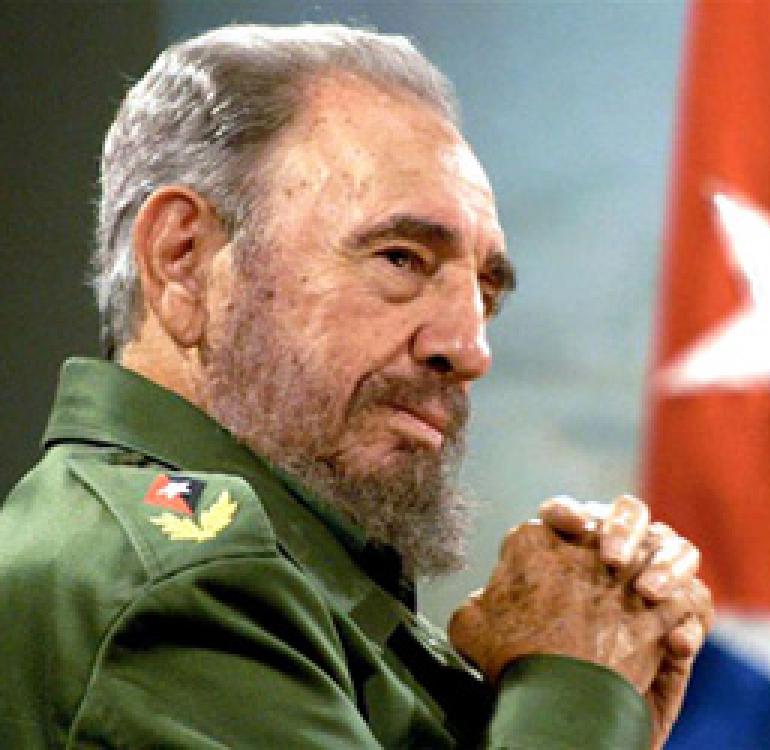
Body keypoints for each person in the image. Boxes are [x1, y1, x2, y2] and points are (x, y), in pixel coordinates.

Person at [0, 24, 712, 749]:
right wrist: (574, 687)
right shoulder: (179, 589)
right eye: (401, 259)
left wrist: (589, 703)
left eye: (486, 296)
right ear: (183, 258)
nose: (471, 350)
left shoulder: (278, 589)